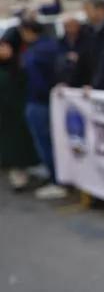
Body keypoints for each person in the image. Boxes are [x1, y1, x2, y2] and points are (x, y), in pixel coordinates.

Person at [18, 18, 66, 200]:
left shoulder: (39, 51)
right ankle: (52, 173)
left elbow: (39, 78)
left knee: (45, 142)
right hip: (42, 99)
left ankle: (56, 179)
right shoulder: (46, 46)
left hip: (40, 101)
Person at [0, 29, 39, 190]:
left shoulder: (21, 64)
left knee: (19, 145)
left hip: (18, 111)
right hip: (6, 113)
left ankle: (21, 173)